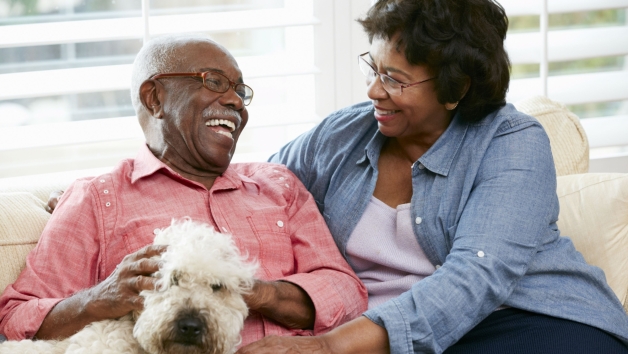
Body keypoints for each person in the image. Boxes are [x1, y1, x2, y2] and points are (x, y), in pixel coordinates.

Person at [236, 0, 628, 353]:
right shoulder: (342, 135)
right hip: (376, 336)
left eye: (394, 78)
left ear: (455, 88)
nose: (373, 90)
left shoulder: (511, 142)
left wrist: (327, 347)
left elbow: (476, 277)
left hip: (526, 320)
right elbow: (258, 197)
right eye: (372, 67)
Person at [0, 35, 367, 346]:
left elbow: (348, 292)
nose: (236, 101)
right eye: (214, 82)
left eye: (240, 91)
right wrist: (99, 298)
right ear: (155, 98)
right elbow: (16, 318)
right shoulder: (98, 199)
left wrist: (251, 290)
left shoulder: (277, 185)